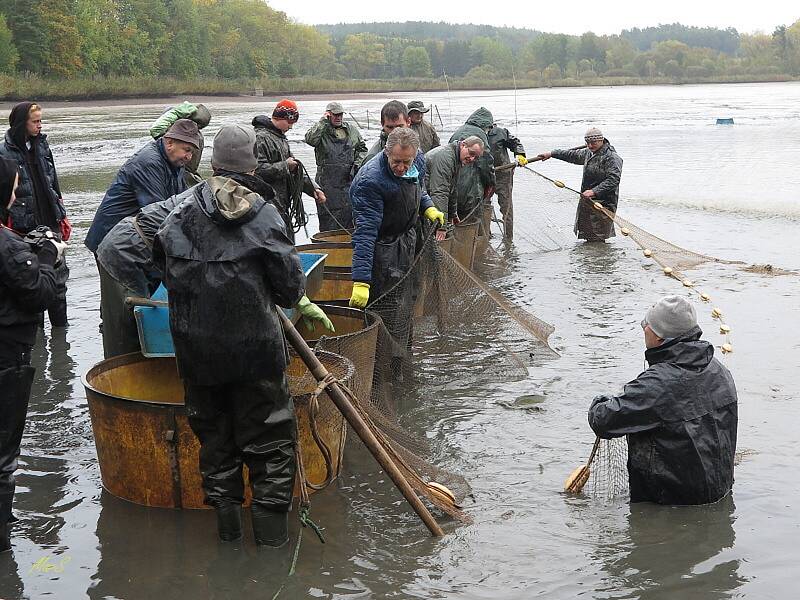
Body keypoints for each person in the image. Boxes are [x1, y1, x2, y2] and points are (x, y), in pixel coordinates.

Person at [153, 124, 333, 547]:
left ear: (212, 164)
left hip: (197, 352)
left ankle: (229, 539)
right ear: (252, 166)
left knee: (216, 443)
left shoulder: (177, 211)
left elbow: (160, 268)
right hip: (256, 353)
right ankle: (270, 546)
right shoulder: (266, 214)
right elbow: (290, 286)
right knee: (270, 445)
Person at [588, 296, 738, 505]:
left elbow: (602, 420)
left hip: (672, 502)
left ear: (659, 337)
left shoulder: (657, 385)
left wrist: (601, 401)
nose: (644, 328)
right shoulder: (719, 369)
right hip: (718, 491)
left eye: (645, 325)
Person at [0, 157, 66, 552]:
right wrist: (46, 259)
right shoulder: (9, 247)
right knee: (4, 452)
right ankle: (4, 542)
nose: (18, 192)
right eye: (14, 185)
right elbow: (40, 293)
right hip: (7, 358)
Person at [349, 127, 444, 310]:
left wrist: (429, 207)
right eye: (396, 161)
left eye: (406, 162)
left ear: (415, 155)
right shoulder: (370, 181)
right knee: (388, 305)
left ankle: (404, 338)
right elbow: (365, 233)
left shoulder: (417, 162)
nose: (401, 168)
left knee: (408, 299)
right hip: (383, 248)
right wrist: (361, 280)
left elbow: (418, 188)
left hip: (407, 240)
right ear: (386, 152)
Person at [84, 118, 202, 253]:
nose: (189, 157)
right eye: (187, 150)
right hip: (110, 240)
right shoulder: (148, 163)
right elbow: (157, 213)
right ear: (169, 143)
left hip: (129, 236)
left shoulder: (176, 162)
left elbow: (182, 203)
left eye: (192, 152)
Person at [0, 102, 70, 326]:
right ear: (22, 123)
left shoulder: (42, 146)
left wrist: (62, 213)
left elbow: (53, 182)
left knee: (59, 284)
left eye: (41, 121)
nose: (40, 125)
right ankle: (37, 335)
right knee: (32, 284)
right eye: (36, 121)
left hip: (51, 221)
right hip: (23, 227)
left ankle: (61, 336)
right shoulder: (3, 152)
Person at [252, 99, 325, 241]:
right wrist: (286, 166)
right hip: (266, 206)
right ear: (280, 117)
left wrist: (314, 189)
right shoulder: (260, 137)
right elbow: (257, 171)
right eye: (290, 122)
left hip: (282, 205)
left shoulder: (281, 138)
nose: (291, 127)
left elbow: (296, 172)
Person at [536, 126, 622, 242]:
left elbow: (613, 180)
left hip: (604, 202)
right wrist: (552, 153)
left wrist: (594, 191)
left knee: (598, 235)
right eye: (588, 143)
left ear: (601, 140)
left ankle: (599, 257)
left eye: (593, 143)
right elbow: (571, 155)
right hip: (587, 200)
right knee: (588, 233)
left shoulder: (612, 157)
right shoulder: (588, 153)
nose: (590, 146)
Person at [304, 101, 367, 231]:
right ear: (328, 115)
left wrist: (357, 164)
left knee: (348, 218)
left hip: (347, 181)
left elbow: (362, 148)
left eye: (340, 115)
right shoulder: (321, 130)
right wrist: (322, 122)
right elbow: (310, 140)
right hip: (326, 184)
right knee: (328, 220)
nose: (338, 117)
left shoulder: (351, 130)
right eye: (335, 115)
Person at [424, 136, 485, 232]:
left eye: (476, 157)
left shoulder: (456, 158)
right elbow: (440, 192)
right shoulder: (446, 158)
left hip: (428, 199)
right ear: (463, 145)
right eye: (471, 153)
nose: (472, 158)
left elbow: (452, 189)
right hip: (421, 199)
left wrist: (453, 213)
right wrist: (441, 226)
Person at [448, 107, 496, 223]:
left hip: (454, 189)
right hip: (471, 191)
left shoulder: (458, 132)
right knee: (471, 222)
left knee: (455, 222)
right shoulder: (480, 135)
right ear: (486, 125)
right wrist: (491, 183)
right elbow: (486, 164)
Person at [149, 101, 212, 186]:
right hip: (189, 175)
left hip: (180, 176)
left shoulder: (178, 139)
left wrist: (175, 112)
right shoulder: (196, 135)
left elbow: (156, 130)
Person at [486, 123, 527, 240]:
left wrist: (520, 154)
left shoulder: (500, 132)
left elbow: (515, 143)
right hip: (485, 176)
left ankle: (508, 238)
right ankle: (485, 236)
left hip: (503, 175)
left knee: (506, 207)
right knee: (483, 205)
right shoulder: (475, 133)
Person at [361, 100, 410, 166]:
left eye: (399, 126)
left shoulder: (415, 148)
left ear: (408, 122)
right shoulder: (372, 158)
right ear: (382, 124)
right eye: (390, 127)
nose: (395, 132)